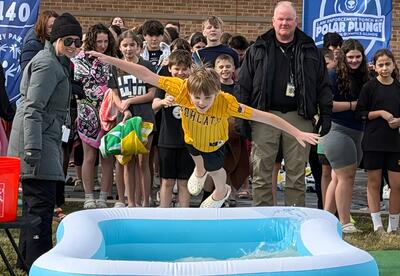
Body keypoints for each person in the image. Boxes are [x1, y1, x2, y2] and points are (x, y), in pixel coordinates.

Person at [86, 50, 319, 208]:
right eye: (197, 98)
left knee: (215, 169)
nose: (201, 103)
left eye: (207, 98)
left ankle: (220, 193)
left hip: (215, 144)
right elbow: (146, 74)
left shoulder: (225, 101)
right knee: (194, 154)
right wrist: (109, 59)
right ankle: (198, 172)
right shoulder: (181, 88)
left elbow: (264, 116)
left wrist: (296, 132)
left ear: (216, 93)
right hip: (191, 138)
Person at [236, 1, 332, 207]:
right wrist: (242, 118)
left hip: (299, 116)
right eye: (280, 19)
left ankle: (294, 219)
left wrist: (326, 113)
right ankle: (262, 220)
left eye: (289, 19)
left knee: (297, 174)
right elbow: (243, 85)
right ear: (273, 21)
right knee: (261, 172)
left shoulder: (311, 49)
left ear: (296, 21)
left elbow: (323, 84)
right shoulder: (257, 48)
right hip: (264, 115)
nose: (284, 23)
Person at [7, 13, 82, 270]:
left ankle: (26, 261)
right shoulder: (48, 64)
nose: (74, 46)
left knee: (33, 206)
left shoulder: (58, 60)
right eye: (68, 40)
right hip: (38, 142)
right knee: (41, 206)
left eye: (78, 42)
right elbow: (33, 108)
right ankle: (40, 265)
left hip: (44, 137)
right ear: (56, 38)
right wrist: (33, 149)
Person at [321, 39, 369, 233]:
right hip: (336, 128)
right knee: (346, 176)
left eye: (358, 57)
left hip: (358, 131)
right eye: (350, 57)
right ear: (343, 57)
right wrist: (353, 105)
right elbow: (327, 105)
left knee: (337, 177)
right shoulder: (332, 75)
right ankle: (345, 223)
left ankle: (325, 221)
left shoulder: (365, 76)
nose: (354, 60)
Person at [355, 49, 400, 234]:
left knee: (396, 184)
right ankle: (377, 225)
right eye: (380, 65)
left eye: (387, 64)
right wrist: (381, 113)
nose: (384, 68)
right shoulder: (369, 88)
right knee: (374, 183)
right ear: (374, 67)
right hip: (373, 142)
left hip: (395, 143)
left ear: (394, 65)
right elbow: (360, 113)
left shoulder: (398, 88)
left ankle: (393, 226)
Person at [73, 23, 117, 209]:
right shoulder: (79, 59)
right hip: (87, 112)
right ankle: (88, 196)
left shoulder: (112, 60)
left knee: (107, 156)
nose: (102, 45)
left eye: (106, 41)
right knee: (89, 156)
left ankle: (104, 197)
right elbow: (75, 84)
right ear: (91, 40)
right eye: (99, 41)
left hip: (108, 112)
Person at [112, 30, 156, 207]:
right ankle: (130, 203)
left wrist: (130, 100)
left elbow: (152, 94)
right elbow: (114, 93)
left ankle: (145, 203)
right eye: (125, 45)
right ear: (120, 47)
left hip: (145, 117)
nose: (128, 49)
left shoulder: (146, 66)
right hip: (125, 120)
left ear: (139, 47)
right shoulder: (115, 67)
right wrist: (122, 106)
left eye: (132, 45)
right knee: (127, 161)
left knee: (143, 161)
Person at [152, 50, 194, 207]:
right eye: (176, 69)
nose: (180, 73)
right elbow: (154, 105)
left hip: (188, 141)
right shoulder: (164, 84)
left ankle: (184, 216)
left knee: (184, 182)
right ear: (169, 69)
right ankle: (164, 213)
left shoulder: (194, 86)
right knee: (167, 181)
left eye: (184, 69)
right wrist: (163, 101)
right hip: (167, 140)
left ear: (190, 69)